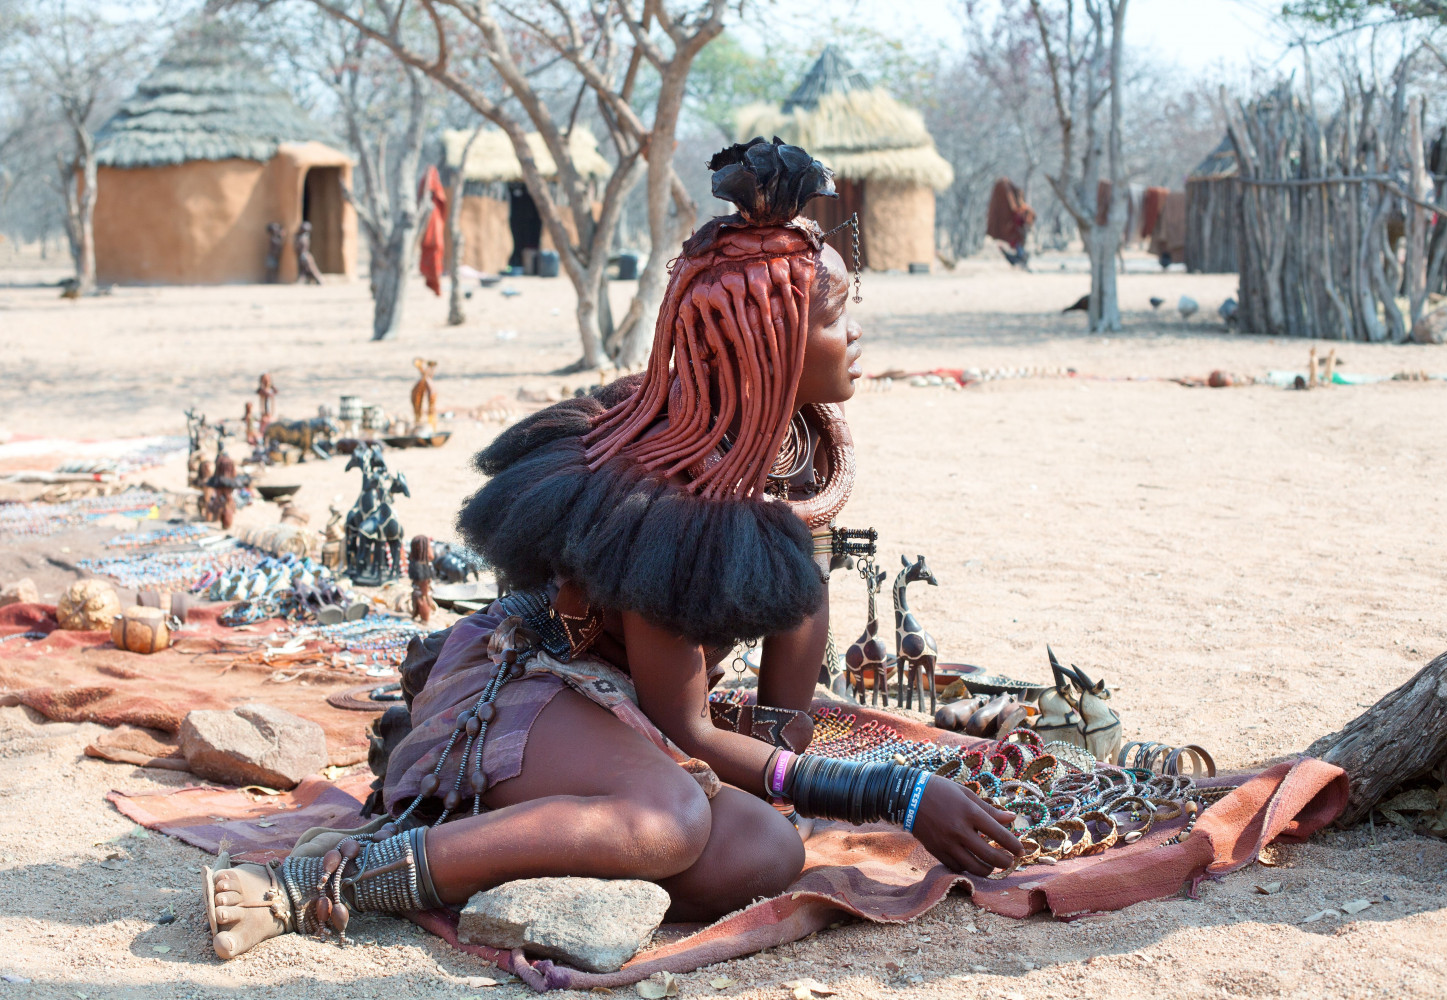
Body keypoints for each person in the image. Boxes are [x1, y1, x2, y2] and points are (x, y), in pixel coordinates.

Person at [203, 139, 1020, 959]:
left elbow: (782, 732)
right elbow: (690, 729)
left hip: (637, 723)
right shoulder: (659, 497)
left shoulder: (792, 473)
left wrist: (793, 781)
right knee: (668, 819)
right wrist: (895, 794)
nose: (858, 334)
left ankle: (535, 834)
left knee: (766, 851)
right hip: (538, 688)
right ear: (769, 342)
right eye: (834, 318)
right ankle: (323, 881)